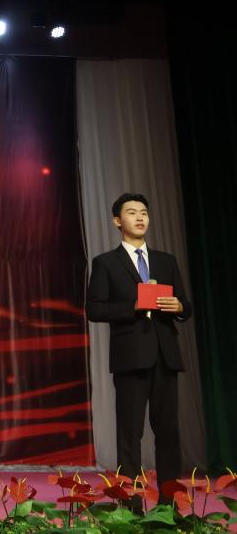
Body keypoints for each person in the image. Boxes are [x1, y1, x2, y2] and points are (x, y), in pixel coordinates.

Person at [86, 193, 192, 508]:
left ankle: (170, 506)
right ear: (117, 221)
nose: (140, 217)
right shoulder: (106, 262)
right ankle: (130, 508)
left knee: (169, 433)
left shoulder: (166, 261)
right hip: (130, 357)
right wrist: (134, 305)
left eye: (144, 212)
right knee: (130, 435)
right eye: (132, 212)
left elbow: (186, 305)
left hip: (165, 356)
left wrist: (179, 307)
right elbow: (95, 309)